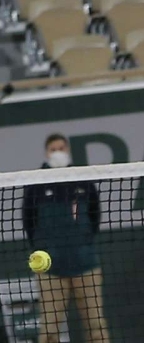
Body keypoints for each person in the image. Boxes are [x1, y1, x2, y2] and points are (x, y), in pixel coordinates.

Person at [22, 133, 110, 343]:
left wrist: (83, 243)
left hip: (85, 265)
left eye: (61, 148)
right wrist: (45, 247)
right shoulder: (35, 182)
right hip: (50, 269)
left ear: (68, 150)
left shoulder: (82, 178)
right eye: (53, 149)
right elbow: (29, 221)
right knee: (49, 329)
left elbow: (94, 214)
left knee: (96, 326)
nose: (58, 153)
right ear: (46, 153)